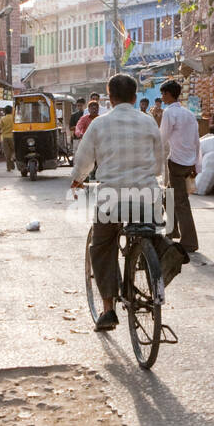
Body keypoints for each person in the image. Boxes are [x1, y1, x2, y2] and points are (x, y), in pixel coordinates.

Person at [70, 74, 164, 332]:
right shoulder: (148, 122)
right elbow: (158, 165)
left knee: (101, 246)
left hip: (112, 199)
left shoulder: (99, 125)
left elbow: (83, 162)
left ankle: (108, 309)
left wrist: (77, 181)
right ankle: (150, 267)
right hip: (147, 198)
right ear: (135, 98)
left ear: (109, 98)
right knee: (153, 231)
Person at [159, 79, 201, 254]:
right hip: (189, 161)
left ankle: (190, 242)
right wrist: (197, 165)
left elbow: (162, 137)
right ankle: (172, 229)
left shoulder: (169, 113)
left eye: (163, 94)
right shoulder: (189, 114)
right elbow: (197, 140)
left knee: (180, 202)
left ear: (169, 94)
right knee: (169, 195)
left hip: (176, 162)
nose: (161, 97)